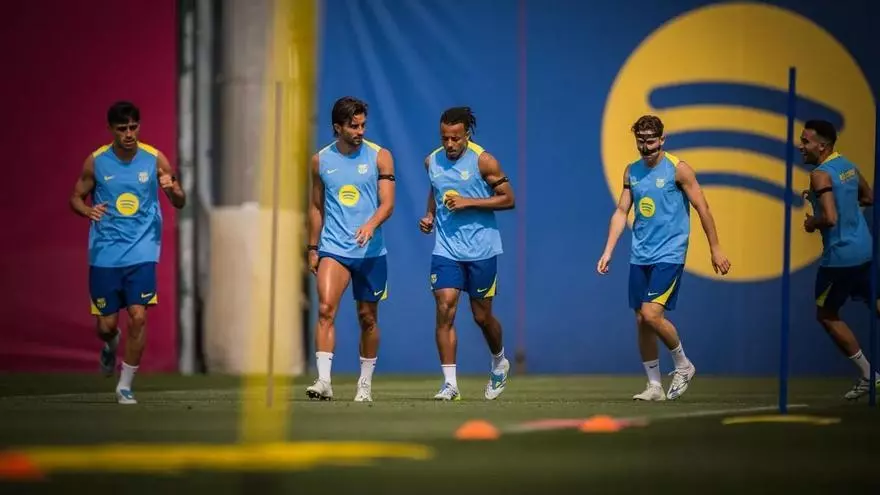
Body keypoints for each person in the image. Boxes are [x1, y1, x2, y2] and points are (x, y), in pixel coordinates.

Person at [597, 115, 731, 401]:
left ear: (662, 139)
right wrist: (608, 251)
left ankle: (683, 364)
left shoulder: (678, 170)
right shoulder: (631, 171)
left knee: (651, 314)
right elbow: (621, 212)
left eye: (651, 141)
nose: (646, 147)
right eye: (641, 141)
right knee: (641, 320)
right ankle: (654, 386)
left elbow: (703, 207)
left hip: (669, 254)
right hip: (640, 255)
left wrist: (716, 248)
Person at [69, 101, 186, 405]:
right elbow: (76, 197)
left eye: (134, 127)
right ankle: (111, 345)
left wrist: (171, 188)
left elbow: (179, 200)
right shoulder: (97, 162)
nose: (129, 133)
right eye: (122, 129)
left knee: (138, 317)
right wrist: (87, 210)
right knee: (106, 326)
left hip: (143, 252)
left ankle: (125, 385)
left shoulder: (154, 158)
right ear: (111, 129)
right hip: (106, 253)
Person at [419, 106, 515, 401]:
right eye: (445, 138)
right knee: (445, 306)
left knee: (481, 316)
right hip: (446, 249)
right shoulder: (432, 161)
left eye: (455, 138)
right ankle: (450, 384)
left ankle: (499, 361)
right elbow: (436, 190)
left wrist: (468, 202)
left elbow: (508, 199)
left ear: (467, 135)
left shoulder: (484, 161)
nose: (449, 144)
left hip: (481, 249)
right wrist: (430, 215)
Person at [306, 96, 395, 402]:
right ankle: (323, 381)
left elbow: (388, 204)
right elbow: (316, 207)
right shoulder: (320, 161)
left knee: (367, 318)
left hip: (371, 253)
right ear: (337, 127)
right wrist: (313, 248)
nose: (360, 131)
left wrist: (370, 225)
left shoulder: (380, 156)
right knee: (325, 309)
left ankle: (364, 385)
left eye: (362, 125)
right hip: (334, 249)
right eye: (353, 126)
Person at [801, 119, 880, 400]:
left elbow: (831, 218)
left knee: (826, 314)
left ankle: (869, 375)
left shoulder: (820, 175)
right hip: (865, 250)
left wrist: (812, 222)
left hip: (840, 258)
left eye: (806, 141)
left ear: (822, 146)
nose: (801, 146)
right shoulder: (847, 165)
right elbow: (868, 197)